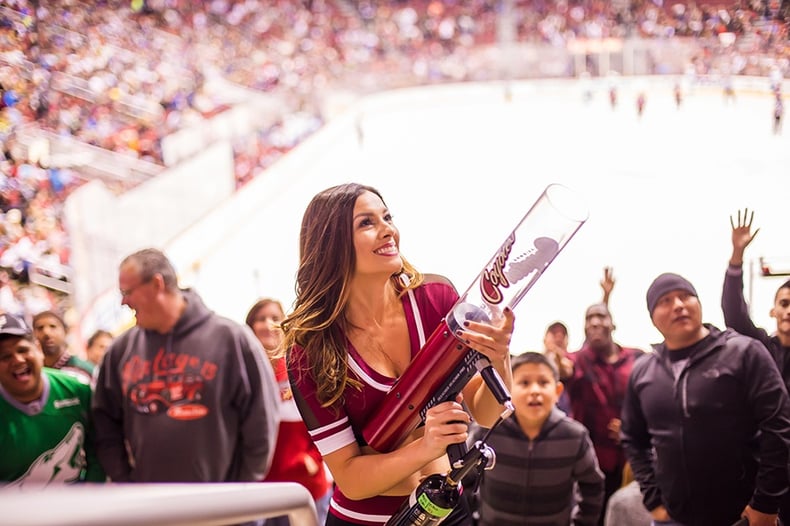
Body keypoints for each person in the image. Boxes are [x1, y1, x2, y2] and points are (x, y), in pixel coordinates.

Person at [282, 183, 515, 526]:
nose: (388, 229)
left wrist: (499, 357)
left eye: (387, 217)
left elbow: (484, 412)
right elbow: (351, 478)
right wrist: (424, 448)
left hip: (449, 512)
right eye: (367, 223)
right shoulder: (310, 349)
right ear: (332, 243)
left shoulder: (436, 298)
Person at [92, 248, 280, 483]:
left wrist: (238, 495)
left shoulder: (233, 340)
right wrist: (126, 480)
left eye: (127, 292)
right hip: (152, 509)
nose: (123, 302)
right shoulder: (120, 351)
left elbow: (261, 425)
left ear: (157, 284)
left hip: (224, 509)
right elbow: (105, 423)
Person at [622, 272, 790, 526]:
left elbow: (778, 427)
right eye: (665, 300)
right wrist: (653, 498)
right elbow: (633, 438)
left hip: (744, 515)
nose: (678, 305)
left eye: (685, 296)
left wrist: (766, 504)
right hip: (674, 518)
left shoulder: (744, 352)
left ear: (699, 303)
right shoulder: (644, 371)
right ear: (653, 318)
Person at [474, 352, 604, 526]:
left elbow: (592, 486)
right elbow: (464, 481)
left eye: (543, 383)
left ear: (557, 391)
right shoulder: (488, 431)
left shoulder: (575, 436)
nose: (534, 390)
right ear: (509, 388)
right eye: (524, 383)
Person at [724, 208, 790, 522]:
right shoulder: (761, 348)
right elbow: (734, 314)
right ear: (773, 310)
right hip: (765, 472)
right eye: (785, 303)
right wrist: (737, 256)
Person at [565, 270, 644, 525]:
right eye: (590, 319)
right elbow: (566, 368)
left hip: (631, 465)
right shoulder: (579, 361)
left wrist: (631, 428)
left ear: (614, 324)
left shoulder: (637, 359)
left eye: (602, 317)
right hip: (588, 465)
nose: (596, 322)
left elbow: (652, 404)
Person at [245, 297, 333, 526]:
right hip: (259, 490)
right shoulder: (244, 375)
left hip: (304, 486)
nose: (268, 324)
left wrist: (315, 458)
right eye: (261, 319)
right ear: (250, 326)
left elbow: (328, 415)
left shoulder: (302, 367)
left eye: (275, 318)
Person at [0, 313, 105, 486]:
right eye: (4, 356)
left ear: (38, 350)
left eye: (22, 350)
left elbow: (100, 450)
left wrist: (91, 494)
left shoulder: (78, 389)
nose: (17, 360)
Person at [32, 310, 94, 384]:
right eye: (40, 328)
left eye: (53, 326)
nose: (46, 332)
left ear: (66, 331)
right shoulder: (32, 372)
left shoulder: (83, 370)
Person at [542, 320, 572, 414]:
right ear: (544, 339)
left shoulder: (569, 361)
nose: (559, 338)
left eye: (563, 334)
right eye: (554, 333)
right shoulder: (534, 361)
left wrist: (557, 354)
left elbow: (565, 372)